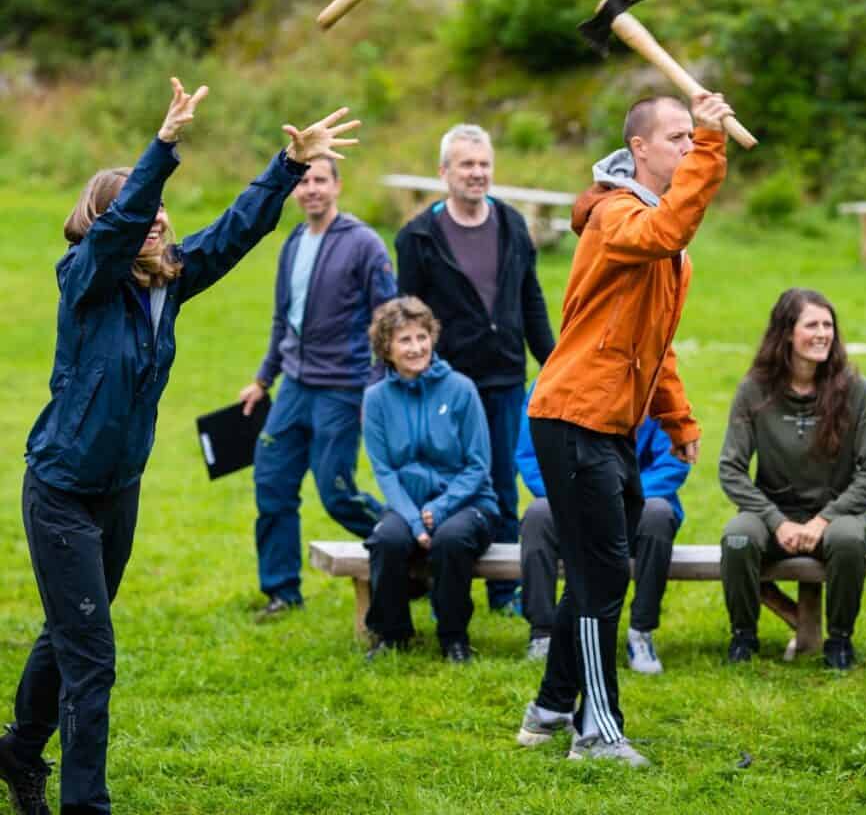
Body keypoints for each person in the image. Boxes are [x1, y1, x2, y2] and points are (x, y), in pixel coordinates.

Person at [0, 78, 359, 815]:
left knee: (70, 632)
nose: (158, 219)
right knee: (91, 658)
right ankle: (84, 804)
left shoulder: (167, 283)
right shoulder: (86, 279)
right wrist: (162, 149)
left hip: (117, 488)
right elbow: (117, 227)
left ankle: (15, 751)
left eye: (162, 209)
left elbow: (234, 230)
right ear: (105, 222)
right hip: (61, 489)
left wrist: (286, 168)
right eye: (141, 210)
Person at [518, 92, 732, 767]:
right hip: (571, 414)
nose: (687, 148)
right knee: (604, 574)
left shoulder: (671, 253)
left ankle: (551, 705)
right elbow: (666, 230)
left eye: (689, 139)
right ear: (640, 148)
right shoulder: (617, 216)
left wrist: (676, 416)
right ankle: (595, 731)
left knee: (601, 569)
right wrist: (714, 143)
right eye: (677, 139)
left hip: (611, 424)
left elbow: (656, 342)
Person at [395, 123, 554, 616]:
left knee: (503, 483)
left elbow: (530, 298)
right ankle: (443, 578)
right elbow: (407, 315)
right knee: (447, 483)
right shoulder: (418, 237)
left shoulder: (512, 225)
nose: (477, 173)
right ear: (444, 173)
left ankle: (504, 592)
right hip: (446, 384)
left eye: (484, 164)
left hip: (505, 376)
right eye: (466, 165)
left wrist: (553, 362)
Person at [239, 154, 395, 619]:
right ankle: (282, 592)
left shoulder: (365, 244)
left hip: (343, 389)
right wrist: (263, 378)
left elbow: (389, 319)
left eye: (320, 181)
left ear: (337, 186)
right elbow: (281, 318)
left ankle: (405, 545)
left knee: (337, 491)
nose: (311, 190)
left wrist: (377, 387)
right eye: (304, 182)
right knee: (271, 483)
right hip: (293, 389)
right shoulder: (292, 242)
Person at [718, 288, 866, 671]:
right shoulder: (754, 391)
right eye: (812, 324)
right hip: (772, 512)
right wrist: (776, 522)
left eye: (828, 325)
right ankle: (743, 636)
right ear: (787, 333)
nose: (823, 333)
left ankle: (840, 640)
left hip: (837, 512)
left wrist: (823, 520)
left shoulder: (856, 391)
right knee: (738, 537)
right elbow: (731, 469)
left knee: (847, 541)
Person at [361, 296, 500, 663]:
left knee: (451, 540)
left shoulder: (461, 389)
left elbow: (478, 465)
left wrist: (439, 509)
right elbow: (384, 471)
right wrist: (413, 520)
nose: (416, 347)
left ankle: (454, 637)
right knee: (386, 540)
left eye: (421, 337)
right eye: (404, 340)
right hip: (407, 505)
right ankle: (392, 636)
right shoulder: (376, 400)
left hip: (468, 503)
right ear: (386, 348)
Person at [516, 384, 690, 672]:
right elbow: (530, 456)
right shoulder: (548, 383)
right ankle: (543, 634)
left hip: (638, 501)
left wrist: (622, 498)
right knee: (537, 516)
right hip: (572, 501)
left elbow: (672, 462)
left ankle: (640, 633)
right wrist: (577, 496)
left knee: (659, 514)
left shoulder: (653, 382)